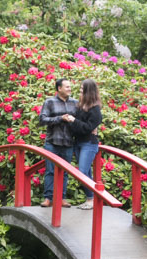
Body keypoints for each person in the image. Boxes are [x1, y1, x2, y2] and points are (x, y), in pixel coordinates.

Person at [62, 78, 102, 210]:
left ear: (88, 91)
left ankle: (92, 198)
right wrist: (74, 122)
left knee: (83, 172)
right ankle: (90, 199)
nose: (79, 91)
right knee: (86, 173)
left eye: (82, 89)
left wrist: (75, 121)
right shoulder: (80, 107)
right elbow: (80, 128)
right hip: (78, 142)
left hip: (89, 144)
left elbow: (86, 128)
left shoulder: (95, 110)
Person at [38, 77, 77, 207]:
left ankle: (62, 198)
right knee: (50, 170)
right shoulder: (49, 102)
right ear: (59, 88)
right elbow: (42, 120)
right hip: (52, 142)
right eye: (67, 87)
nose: (70, 89)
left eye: (70, 87)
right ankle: (48, 198)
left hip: (68, 142)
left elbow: (81, 120)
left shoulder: (75, 103)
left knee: (64, 172)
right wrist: (60, 118)